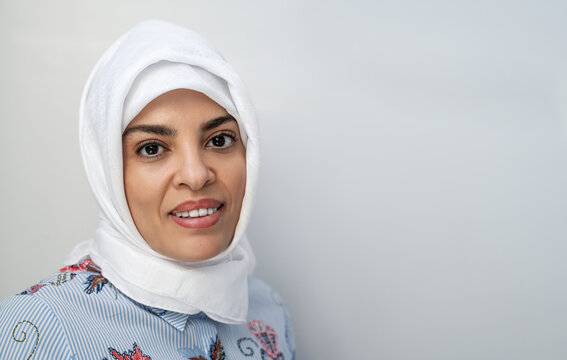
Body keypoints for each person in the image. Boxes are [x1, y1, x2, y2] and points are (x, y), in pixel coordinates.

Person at [0, 20, 295, 359]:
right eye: (152, 148)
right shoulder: (38, 329)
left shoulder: (268, 312)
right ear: (107, 171)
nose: (196, 176)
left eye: (219, 140)